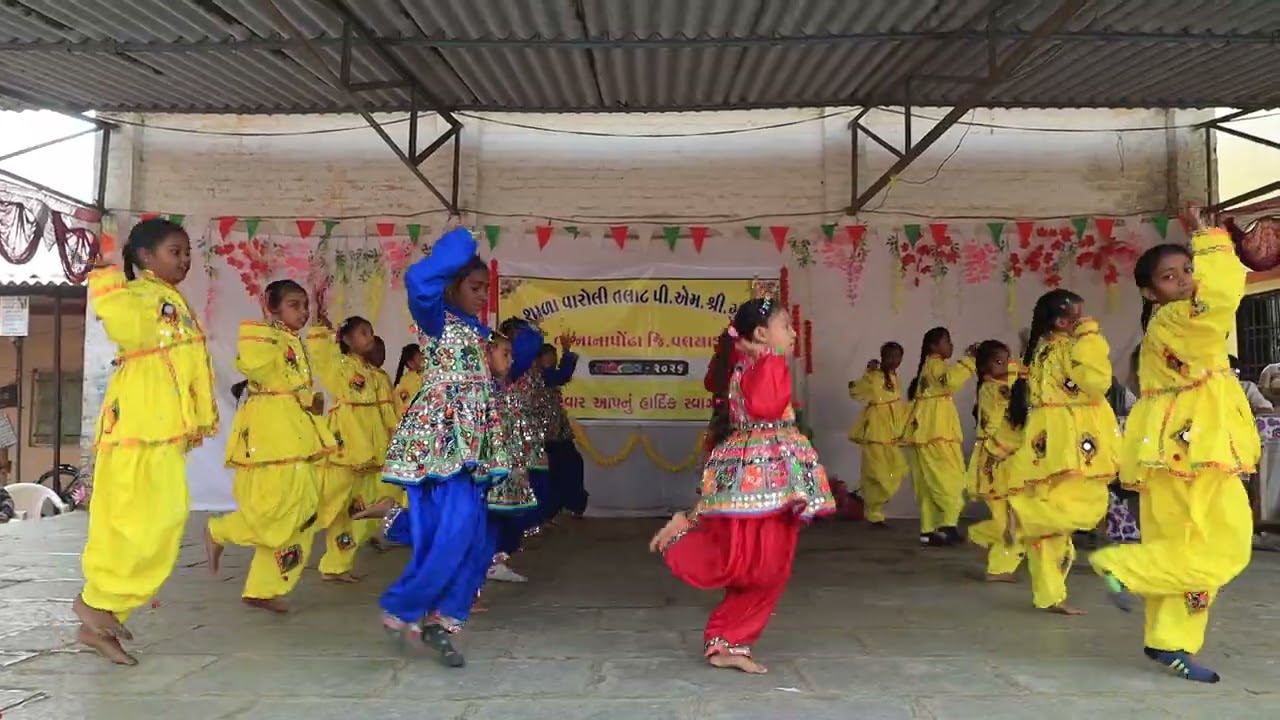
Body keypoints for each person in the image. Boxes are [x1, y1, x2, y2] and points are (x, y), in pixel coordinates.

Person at [1090, 208, 1258, 683]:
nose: (1184, 281)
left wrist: (1210, 244)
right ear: (1150, 292)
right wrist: (1211, 242)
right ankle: (1125, 566)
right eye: (1169, 276)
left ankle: (1169, 642)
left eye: (1187, 269)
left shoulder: (1169, 323)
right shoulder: (1181, 320)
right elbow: (1223, 296)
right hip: (1193, 450)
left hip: (1175, 454)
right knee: (1226, 547)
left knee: (1181, 549)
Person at [649, 294, 835, 675]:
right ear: (763, 333)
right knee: (764, 566)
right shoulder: (764, 364)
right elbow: (768, 407)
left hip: (754, 473)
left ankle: (726, 640)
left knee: (757, 565)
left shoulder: (747, 365)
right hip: (761, 477)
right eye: (787, 327)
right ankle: (727, 635)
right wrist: (771, 361)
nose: (794, 334)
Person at [74, 218, 218, 665]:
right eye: (176, 251)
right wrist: (104, 277)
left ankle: (100, 613)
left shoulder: (171, 300)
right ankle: (96, 605)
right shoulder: (138, 296)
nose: (186, 259)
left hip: (161, 431)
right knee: (133, 522)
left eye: (187, 252)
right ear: (144, 258)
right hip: (137, 428)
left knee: (162, 522)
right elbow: (125, 325)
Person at [380, 227, 508, 668]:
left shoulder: (478, 332)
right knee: (453, 530)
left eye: (485, 290)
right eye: (474, 287)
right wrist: (462, 241)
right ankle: (405, 605)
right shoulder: (436, 319)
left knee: (473, 536)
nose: (481, 297)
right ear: (453, 283)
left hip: (473, 446)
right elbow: (419, 281)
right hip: (439, 443)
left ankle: (440, 617)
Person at [205, 280, 336, 613]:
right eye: (294, 304)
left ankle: (264, 588)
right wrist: (265, 325)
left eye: (304, 305)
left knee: (304, 512)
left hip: (298, 429)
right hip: (273, 434)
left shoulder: (294, 341)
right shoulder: (261, 337)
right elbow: (253, 363)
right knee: (277, 508)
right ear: (271, 306)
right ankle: (220, 530)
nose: (303, 312)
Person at [988, 289, 1119, 616]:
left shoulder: (1037, 354)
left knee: (1050, 532)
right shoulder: (1069, 350)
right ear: (1063, 322)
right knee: (1090, 506)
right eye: (1080, 315)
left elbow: (1017, 411)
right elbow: (1098, 381)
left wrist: (998, 447)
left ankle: (1050, 595)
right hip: (1069, 443)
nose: (1086, 320)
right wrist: (1090, 335)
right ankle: (1025, 518)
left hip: (1041, 444)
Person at [306, 315, 389, 583]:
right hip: (346, 449)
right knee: (330, 501)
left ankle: (336, 564)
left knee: (365, 511)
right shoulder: (339, 368)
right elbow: (322, 355)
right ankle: (296, 521)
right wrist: (321, 331)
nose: (370, 338)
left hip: (373, 453)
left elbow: (389, 413)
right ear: (347, 340)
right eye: (363, 333)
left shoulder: (378, 376)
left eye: (371, 332)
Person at [901, 327, 977, 546]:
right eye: (947, 341)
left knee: (927, 484)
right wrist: (969, 360)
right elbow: (951, 381)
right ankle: (947, 525)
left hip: (924, 434)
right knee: (950, 479)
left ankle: (929, 529)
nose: (950, 346)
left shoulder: (929, 367)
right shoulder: (936, 364)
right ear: (935, 346)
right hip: (936, 434)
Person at [964, 339, 1023, 582]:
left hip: (1009, 457)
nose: (1006, 365)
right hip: (995, 458)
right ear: (985, 369)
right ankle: (981, 538)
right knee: (1005, 519)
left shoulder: (1002, 386)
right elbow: (996, 427)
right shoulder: (993, 390)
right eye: (999, 361)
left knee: (1016, 516)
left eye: (1007, 360)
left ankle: (999, 564)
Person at [848, 341, 908, 527]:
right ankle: (872, 510)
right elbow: (856, 391)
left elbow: (897, 406)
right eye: (890, 356)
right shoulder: (874, 376)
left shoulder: (895, 377)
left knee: (897, 469)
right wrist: (868, 371)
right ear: (882, 357)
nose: (894, 360)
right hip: (875, 432)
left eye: (897, 356)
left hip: (891, 433)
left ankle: (864, 496)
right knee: (876, 473)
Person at [539, 338, 587, 519]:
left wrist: (566, 354)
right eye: (547, 357)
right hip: (546, 436)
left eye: (553, 356)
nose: (551, 360)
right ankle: (551, 511)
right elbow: (561, 376)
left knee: (572, 465)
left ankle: (568, 505)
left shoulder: (547, 376)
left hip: (557, 434)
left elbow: (560, 375)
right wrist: (567, 353)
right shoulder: (538, 376)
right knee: (555, 473)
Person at [392, 343, 425, 418]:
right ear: (411, 363)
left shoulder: (427, 373)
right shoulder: (406, 382)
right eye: (420, 358)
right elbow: (403, 407)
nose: (424, 360)